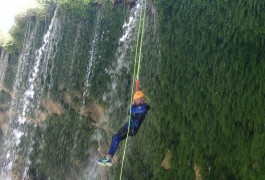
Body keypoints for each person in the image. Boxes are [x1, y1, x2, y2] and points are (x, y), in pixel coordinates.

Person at [97, 79, 150, 167]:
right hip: (129, 126)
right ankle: (109, 157)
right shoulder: (138, 104)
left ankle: (108, 158)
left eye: (136, 100)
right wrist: (137, 85)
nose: (135, 101)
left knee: (116, 137)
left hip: (131, 128)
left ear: (139, 100)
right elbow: (137, 96)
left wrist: (132, 109)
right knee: (115, 137)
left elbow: (139, 109)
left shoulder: (143, 107)